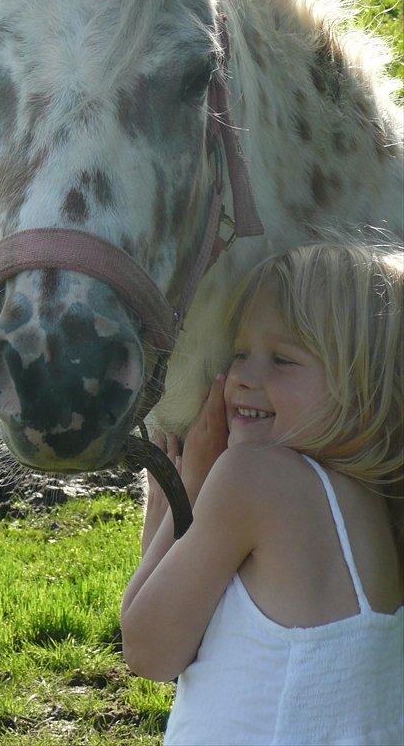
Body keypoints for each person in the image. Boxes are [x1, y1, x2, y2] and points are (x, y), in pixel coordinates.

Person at [121, 243, 403, 745]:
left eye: (282, 360)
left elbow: (149, 650)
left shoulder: (252, 477)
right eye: (240, 353)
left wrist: (190, 486)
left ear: (365, 383)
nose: (243, 378)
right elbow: (191, 622)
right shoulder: (378, 503)